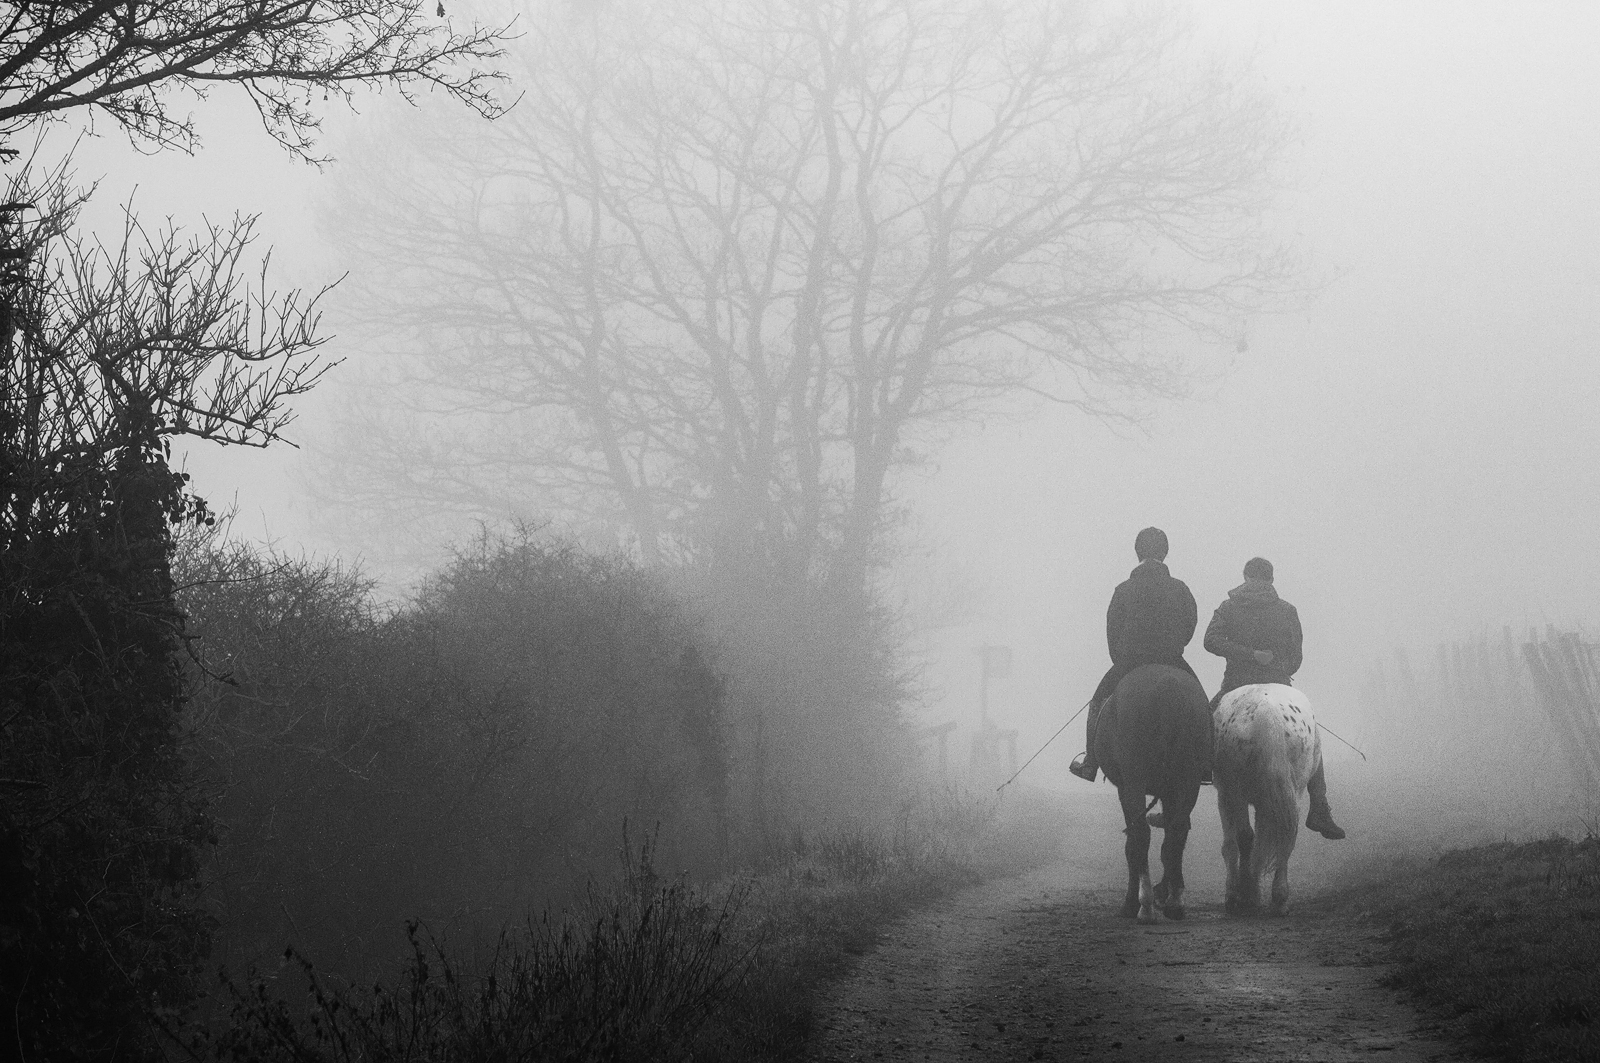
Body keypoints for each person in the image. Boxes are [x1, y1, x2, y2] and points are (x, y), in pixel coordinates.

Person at [1204, 556, 1346, 840]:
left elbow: (1210, 640)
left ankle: (1199, 771)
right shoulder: (1286, 610)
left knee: (1206, 723)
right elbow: (1296, 656)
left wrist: (1245, 656)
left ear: (1245, 577)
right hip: (1279, 682)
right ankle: (1319, 808)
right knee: (1313, 735)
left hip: (1235, 684)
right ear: (1271, 579)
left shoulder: (1228, 607)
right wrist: (1276, 666)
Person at [1068, 527, 1199, 783]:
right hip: (1172, 660)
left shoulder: (1123, 590)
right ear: (1166, 552)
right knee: (1200, 703)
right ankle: (1206, 762)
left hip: (1130, 662)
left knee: (1097, 703)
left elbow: (1112, 631)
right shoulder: (1181, 589)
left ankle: (1090, 764)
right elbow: (1189, 625)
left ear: (1137, 552)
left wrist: (1121, 660)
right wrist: (1173, 647)